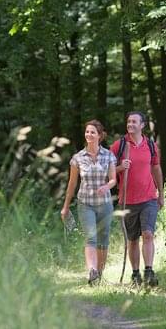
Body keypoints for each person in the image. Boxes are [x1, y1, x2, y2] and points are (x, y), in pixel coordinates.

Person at [110, 111, 164, 287]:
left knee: (148, 234)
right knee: (132, 239)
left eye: (134, 121)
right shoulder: (119, 146)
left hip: (148, 198)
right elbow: (106, 172)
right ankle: (135, 274)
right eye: (128, 121)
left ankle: (149, 271)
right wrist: (119, 167)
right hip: (127, 200)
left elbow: (156, 169)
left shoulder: (150, 145)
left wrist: (161, 194)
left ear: (142, 125)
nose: (130, 124)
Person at [61, 120, 117, 285]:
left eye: (93, 132)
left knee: (103, 239)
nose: (89, 135)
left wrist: (107, 186)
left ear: (100, 135)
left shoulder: (108, 156)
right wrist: (65, 207)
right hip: (86, 204)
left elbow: (113, 179)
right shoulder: (78, 158)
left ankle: (99, 274)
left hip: (105, 204)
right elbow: (72, 184)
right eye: (87, 132)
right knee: (91, 238)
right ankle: (92, 271)